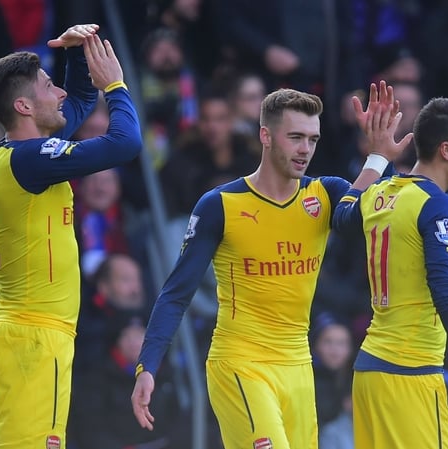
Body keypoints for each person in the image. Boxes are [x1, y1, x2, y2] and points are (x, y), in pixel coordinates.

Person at [131, 81, 410, 449]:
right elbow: (175, 292)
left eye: (313, 139)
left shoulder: (324, 194)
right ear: (265, 135)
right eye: (295, 137)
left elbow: (357, 217)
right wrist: (147, 365)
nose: (305, 149)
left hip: (298, 367)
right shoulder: (220, 205)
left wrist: (377, 157)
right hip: (241, 363)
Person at [0, 24, 142, 449]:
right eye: (50, 87)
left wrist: (71, 58)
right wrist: (117, 87)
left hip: (14, 336)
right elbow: (124, 144)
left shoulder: (16, 154)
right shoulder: (33, 160)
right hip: (35, 340)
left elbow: (80, 100)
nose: (60, 93)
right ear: (23, 105)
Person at [333, 96, 448, 448]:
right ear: (447, 150)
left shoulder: (381, 192)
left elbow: (342, 217)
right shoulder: (440, 205)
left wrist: (377, 157)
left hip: (369, 373)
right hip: (410, 374)